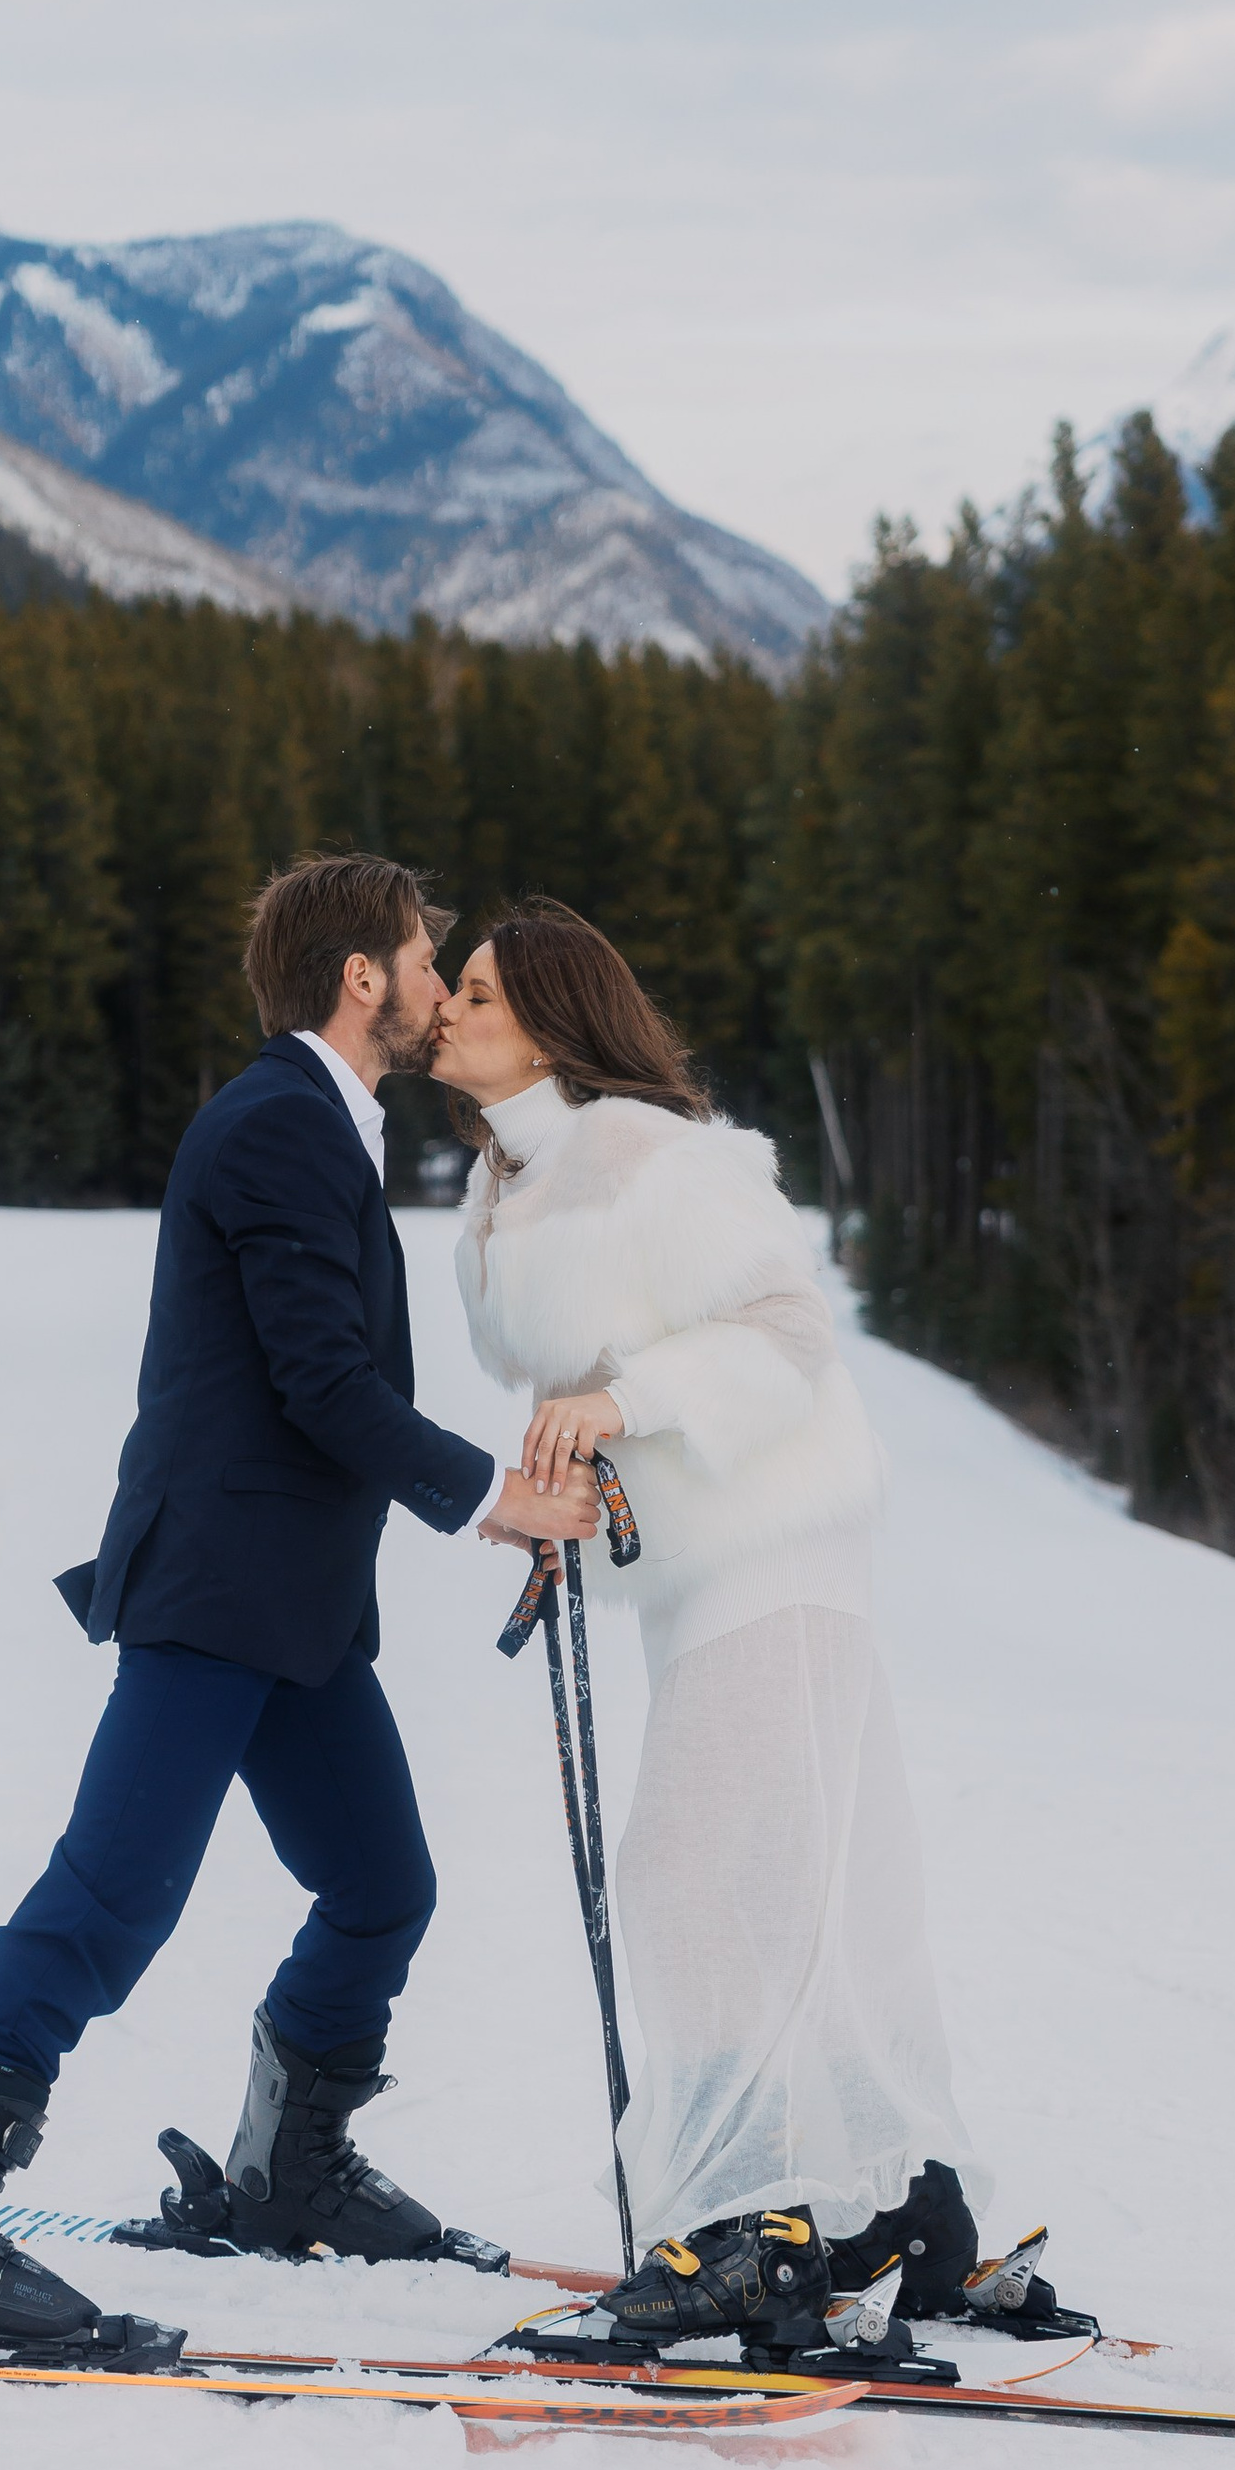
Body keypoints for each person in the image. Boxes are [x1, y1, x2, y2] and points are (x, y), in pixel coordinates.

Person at [0, 853, 599, 2368]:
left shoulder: (321, 1125)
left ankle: (286, 2169)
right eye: (427, 957)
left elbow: (317, 1383)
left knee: (382, 1886)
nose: (442, 982)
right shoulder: (272, 1129)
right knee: (110, 1902)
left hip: (291, 1607)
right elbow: (323, 1386)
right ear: (361, 977)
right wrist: (493, 1495)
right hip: (215, 1589)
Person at [432, 899, 989, 2353]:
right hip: (699, 1561)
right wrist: (580, 1496)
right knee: (812, 1886)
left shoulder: (649, 1157)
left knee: (696, 1880)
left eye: (483, 995)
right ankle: (903, 2209)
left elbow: (789, 1334)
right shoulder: (508, 1186)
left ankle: (751, 2230)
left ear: (555, 1020)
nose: (453, 1010)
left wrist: (618, 1407)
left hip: (776, 1539)